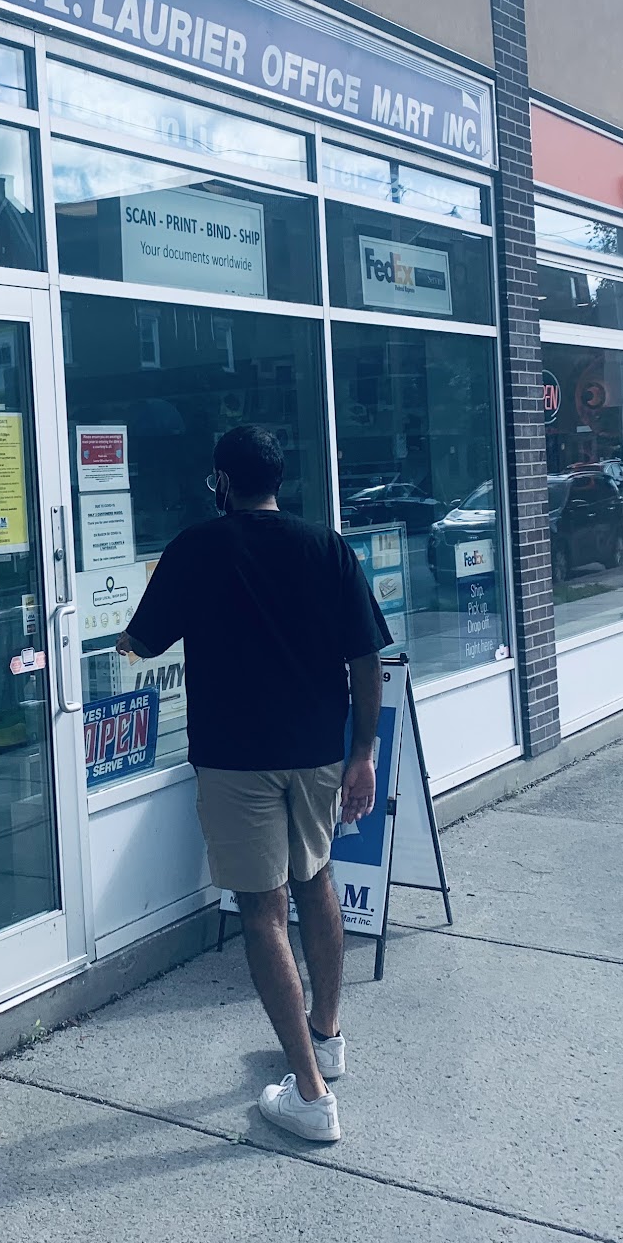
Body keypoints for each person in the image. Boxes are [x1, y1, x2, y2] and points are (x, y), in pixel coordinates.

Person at [117, 424, 389, 1143]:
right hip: (317, 752)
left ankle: (310, 1095)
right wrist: (362, 753)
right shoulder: (326, 547)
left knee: (263, 912)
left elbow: (140, 641)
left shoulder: (196, 548)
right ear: (278, 480)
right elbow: (367, 660)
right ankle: (326, 1035)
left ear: (223, 483)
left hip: (236, 758)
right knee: (317, 882)